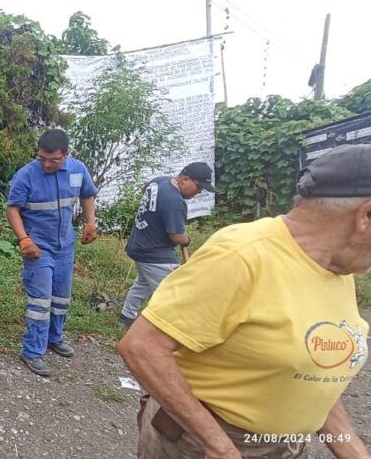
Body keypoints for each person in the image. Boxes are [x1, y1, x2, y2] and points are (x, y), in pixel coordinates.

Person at [118, 144, 371, 459]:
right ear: (366, 215)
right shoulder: (241, 256)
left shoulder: (337, 267)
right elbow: (143, 347)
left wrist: (354, 451)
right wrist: (219, 447)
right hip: (207, 444)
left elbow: (314, 371)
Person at [6, 129, 98, 377]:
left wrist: (91, 223)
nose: (46, 164)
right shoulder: (26, 175)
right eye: (41, 158)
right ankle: (33, 351)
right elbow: (12, 209)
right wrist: (24, 239)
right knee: (40, 300)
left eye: (53, 160)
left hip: (65, 245)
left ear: (66, 155)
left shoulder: (78, 170)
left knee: (61, 297)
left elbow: (88, 194)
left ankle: (54, 338)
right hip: (38, 247)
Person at [117, 162, 216, 330]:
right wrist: (186, 240)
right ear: (185, 179)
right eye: (198, 187)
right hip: (155, 253)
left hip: (140, 244)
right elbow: (177, 236)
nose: (198, 193)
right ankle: (172, 331)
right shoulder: (174, 201)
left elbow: (144, 189)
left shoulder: (159, 181)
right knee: (173, 294)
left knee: (142, 284)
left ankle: (125, 318)